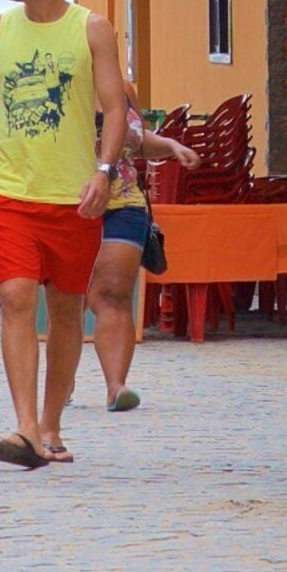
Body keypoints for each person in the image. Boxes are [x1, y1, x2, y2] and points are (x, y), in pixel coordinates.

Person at [0, 0, 129, 469]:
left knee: (63, 311)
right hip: (7, 194)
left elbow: (115, 108)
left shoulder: (92, 29)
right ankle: (25, 427)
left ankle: (52, 423)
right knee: (15, 298)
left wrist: (104, 173)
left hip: (72, 198)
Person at [87, 106, 198, 414]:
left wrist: (172, 146)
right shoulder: (55, 79)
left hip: (123, 206)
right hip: (68, 205)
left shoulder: (120, 91)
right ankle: (61, 382)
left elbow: (135, 139)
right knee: (67, 301)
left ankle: (116, 386)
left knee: (112, 295)